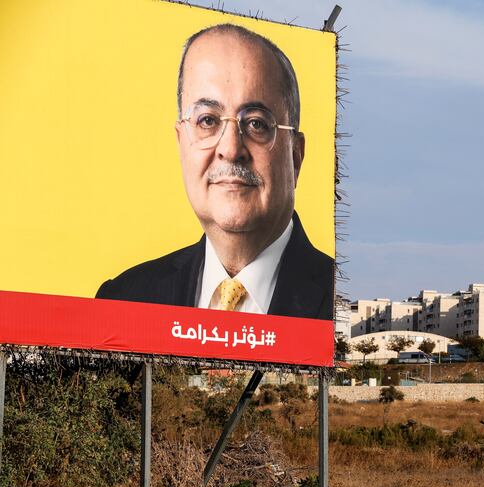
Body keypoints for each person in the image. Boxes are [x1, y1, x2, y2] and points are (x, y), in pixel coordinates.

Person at [97, 24, 332, 320]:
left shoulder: (339, 306)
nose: (231, 149)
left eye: (257, 124)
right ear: (182, 143)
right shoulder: (122, 302)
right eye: (208, 121)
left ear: (295, 156)